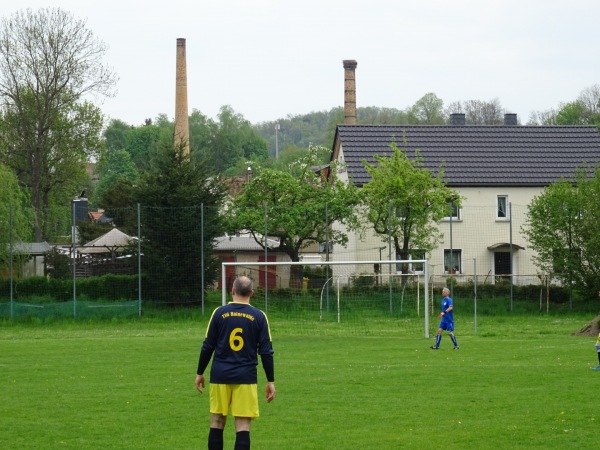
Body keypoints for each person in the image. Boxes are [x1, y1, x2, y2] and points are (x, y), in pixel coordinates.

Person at [195, 276, 275, 450]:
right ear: (252, 293)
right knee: (243, 426)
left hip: (219, 375)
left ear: (232, 291)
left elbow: (208, 345)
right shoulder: (259, 317)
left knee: (216, 422)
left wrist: (200, 372)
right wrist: (270, 381)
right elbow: (266, 352)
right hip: (246, 377)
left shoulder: (219, 313)